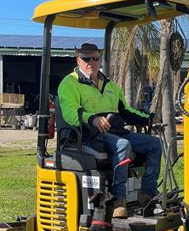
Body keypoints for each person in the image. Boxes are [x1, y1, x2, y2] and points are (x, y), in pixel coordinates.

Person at [57, 43, 161, 218]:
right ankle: (118, 200)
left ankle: (147, 195)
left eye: (95, 58)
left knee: (154, 144)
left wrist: (148, 118)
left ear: (100, 60)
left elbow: (125, 110)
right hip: (87, 136)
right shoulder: (69, 84)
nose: (91, 62)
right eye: (86, 58)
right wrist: (92, 118)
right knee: (123, 145)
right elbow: (70, 112)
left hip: (114, 132)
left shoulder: (110, 85)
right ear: (78, 60)